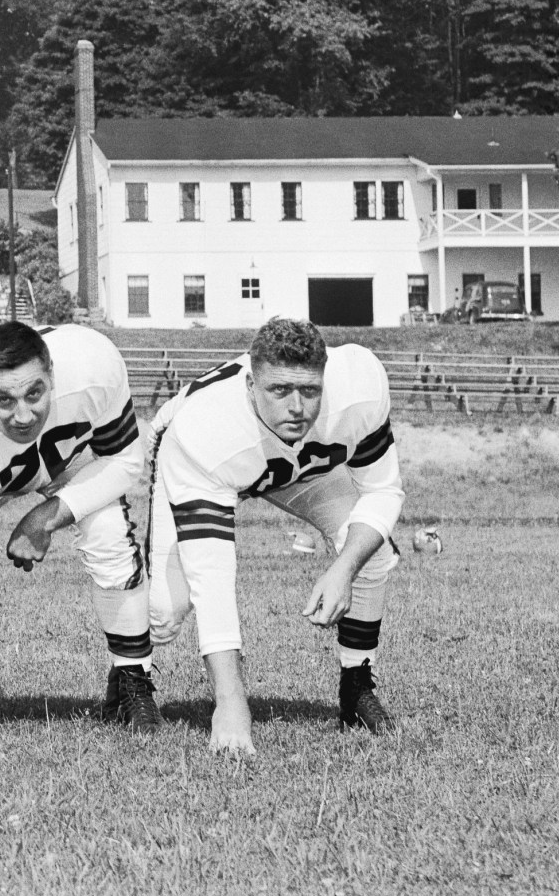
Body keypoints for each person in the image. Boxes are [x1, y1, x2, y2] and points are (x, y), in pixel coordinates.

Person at [148, 316, 401, 755]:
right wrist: (231, 705)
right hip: (211, 461)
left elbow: (383, 490)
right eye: (279, 390)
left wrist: (343, 568)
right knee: (165, 612)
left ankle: (356, 688)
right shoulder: (206, 430)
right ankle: (130, 679)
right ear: (250, 386)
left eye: (309, 390)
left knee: (370, 553)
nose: (297, 407)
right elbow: (213, 577)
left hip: (297, 467)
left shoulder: (360, 387)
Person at [0, 321, 154, 746]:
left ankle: (132, 680)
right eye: (3, 399)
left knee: (109, 529)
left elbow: (126, 462)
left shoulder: (92, 365)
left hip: (63, 461)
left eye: (34, 393)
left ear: (52, 375)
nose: (23, 414)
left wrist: (46, 517)